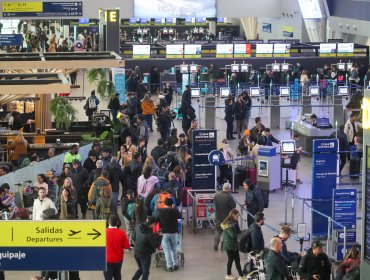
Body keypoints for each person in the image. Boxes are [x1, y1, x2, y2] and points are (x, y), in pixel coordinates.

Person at [155, 197, 182, 272]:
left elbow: (155, 219)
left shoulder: (160, 211)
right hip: (174, 233)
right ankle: (175, 264)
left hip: (165, 233)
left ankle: (169, 266)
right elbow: (180, 217)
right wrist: (174, 208)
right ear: (172, 204)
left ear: (164, 204)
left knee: (167, 251)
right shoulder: (175, 210)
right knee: (174, 249)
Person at [221, 209, 245, 280]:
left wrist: (242, 232)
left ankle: (231, 274)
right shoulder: (227, 224)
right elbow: (233, 235)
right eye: (237, 215)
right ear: (233, 215)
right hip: (230, 245)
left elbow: (237, 231)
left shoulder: (234, 222)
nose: (238, 217)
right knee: (234, 260)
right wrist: (241, 234)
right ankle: (239, 276)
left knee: (232, 260)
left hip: (233, 245)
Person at [104, 215, 130, 280]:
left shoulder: (103, 232)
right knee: (117, 275)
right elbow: (127, 246)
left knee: (107, 277)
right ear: (117, 222)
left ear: (108, 222)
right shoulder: (122, 233)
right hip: (118, 259)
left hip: (106, 259)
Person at [214, 182, 237, 251]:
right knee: (226, 232)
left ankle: (215, 245)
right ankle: (223, 246)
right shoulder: (229, 197)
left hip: (218, 216)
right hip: (227, 218)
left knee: (218, 231)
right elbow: (233, 206)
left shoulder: (216, 195)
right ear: (229, 189)